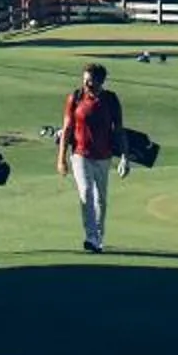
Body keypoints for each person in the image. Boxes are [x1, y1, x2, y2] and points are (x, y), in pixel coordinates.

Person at [57, 61, 125, 254]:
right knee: (86, 192)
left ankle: (98, 237)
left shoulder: (111, 100)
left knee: (101, 200)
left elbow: (119, 130)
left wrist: (125, 158)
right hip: (80, 155)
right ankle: (91, 236)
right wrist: (61, 158)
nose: (86, 84)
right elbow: (67, 129)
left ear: (101, 81)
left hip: (104, 156)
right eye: (84, 80)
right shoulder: (75, 98)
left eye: (90, 81)